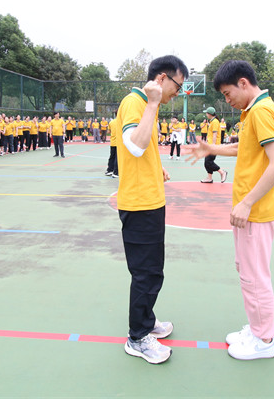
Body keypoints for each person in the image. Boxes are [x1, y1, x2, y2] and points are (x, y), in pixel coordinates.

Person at [187, 60, 274, 360]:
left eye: (228, 94)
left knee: (254, 277)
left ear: (243, 83)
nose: (227, 101)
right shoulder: (253, 111)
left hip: (255, 211)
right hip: (249, 211)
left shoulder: (261, 110)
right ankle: (257, 329)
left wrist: (247, 202)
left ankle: (264, 340)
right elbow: (245, 147)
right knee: (247, 271)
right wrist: (211, 149)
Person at [115, 54, 187, 364]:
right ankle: (138, 337)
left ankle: (146, 319)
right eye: (177, 86)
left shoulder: (146, 106)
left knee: (153, 270)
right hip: (139, 203)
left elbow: (144, 152)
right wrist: (153, 103)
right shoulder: (136, 103)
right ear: (161, 79)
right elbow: (134, 145)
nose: (177, 93)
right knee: (145, 273)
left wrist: (157, 168)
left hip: (151, 200)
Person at [200, 107, 228, 183]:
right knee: (207, 162)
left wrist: (213, 145)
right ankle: (209, 178)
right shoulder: (212, 121)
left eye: (207, 113)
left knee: (208, 162)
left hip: (213, 145)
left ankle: (222, 172)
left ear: (209, 114)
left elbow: (215, 134)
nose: (206, 114)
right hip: (210, 145)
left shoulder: (215, 122)